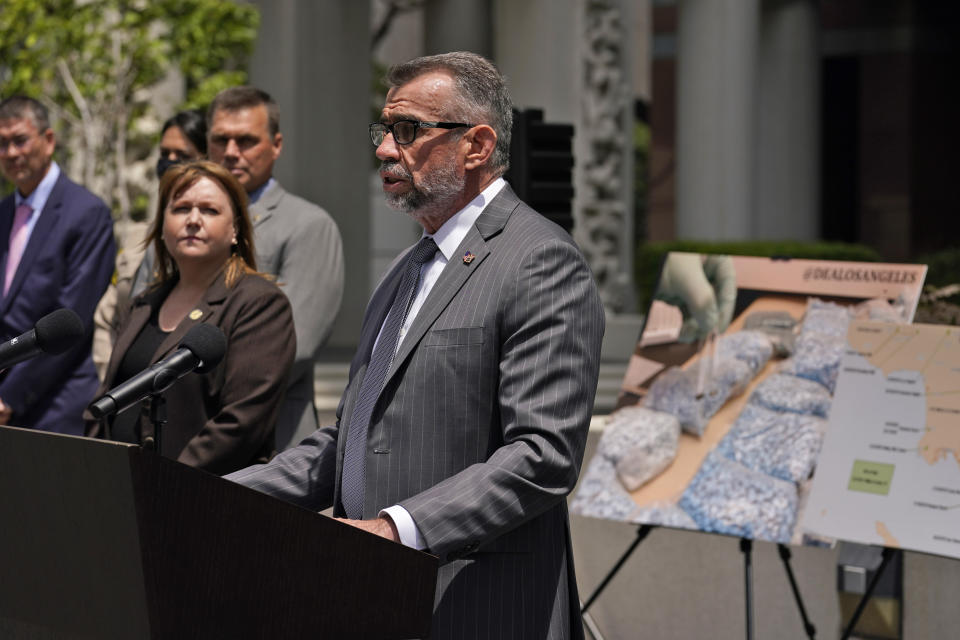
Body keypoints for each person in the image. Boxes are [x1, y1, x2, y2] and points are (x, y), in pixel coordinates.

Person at [227, 52, 604, 639]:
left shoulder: (539, 261)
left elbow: (542, 454)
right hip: (374, 598)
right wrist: (216, 497)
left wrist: (396, 529)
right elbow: (353, 437)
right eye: (383, 130)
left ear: (476, 145)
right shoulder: (409, 266)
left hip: (476, 606)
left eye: (407, 131)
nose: (383, 149)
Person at [86, 161, 295, 476]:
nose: (193, 220)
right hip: (117, 490)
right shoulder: (144, 302)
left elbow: (242, 423)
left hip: (200, 499)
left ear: (236, 229)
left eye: (210, 211)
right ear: (162, 225)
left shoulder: (259, 303)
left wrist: (168, 482)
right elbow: (107, 396)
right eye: (181, 209)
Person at [205, 86, 344, 451]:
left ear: (276, 145)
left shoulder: (309, 225)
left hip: (270, 443)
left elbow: (294, 346)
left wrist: (183, 377)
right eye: (221, 140)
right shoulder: (183, 222)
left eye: (246, 140)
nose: (231, 152)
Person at [0, 95, 116, 434]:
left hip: (54, 402)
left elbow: (72, 318)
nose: (11, 153)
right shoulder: (4, 212)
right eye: (2, 143)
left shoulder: (87, 213)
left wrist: (9, 396)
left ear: (48, 140)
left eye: (20, 140)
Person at [92, 109, 209, 380]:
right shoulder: (137, 236)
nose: (170, 162)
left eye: (182, 155)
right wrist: (112, 382)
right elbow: (108, 317)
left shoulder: (209, 240)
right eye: (164, 154)